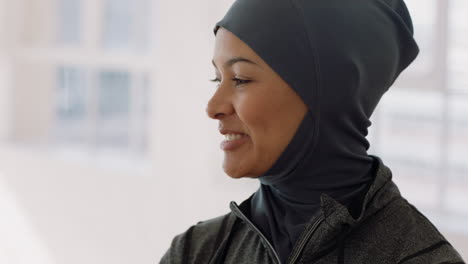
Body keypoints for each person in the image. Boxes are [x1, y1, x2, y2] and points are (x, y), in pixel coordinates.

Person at [160, 0, 465, 263]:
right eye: (217, 79)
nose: (213, 106)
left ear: (328, 94)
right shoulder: (196, 251)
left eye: (240, 78)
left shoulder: (421, 259)